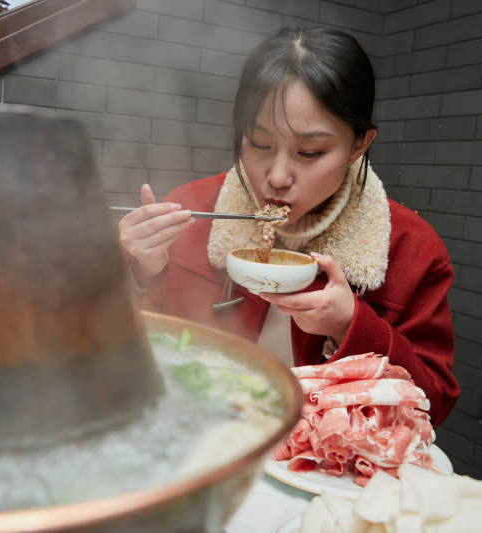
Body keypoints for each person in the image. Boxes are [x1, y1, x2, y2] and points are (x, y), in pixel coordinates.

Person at [118, 27, 458, 427]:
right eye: (259, 145)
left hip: (320, 467)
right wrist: (138, 270)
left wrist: (350, 326)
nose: (277, 177)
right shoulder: (192, 210)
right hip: (196, 437)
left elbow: (429, 406)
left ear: (358, 146)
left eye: (310, 152)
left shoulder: (410, 248)